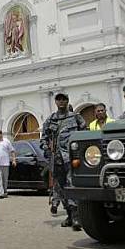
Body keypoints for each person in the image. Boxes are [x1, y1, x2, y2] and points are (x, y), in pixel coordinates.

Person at [41, 93, 84, 230]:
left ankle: (77, 217)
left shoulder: (75, 117)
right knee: (61, 188)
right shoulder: (50, 120)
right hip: (56, 159)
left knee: (72, 185)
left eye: (63, 99)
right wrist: (47, 149)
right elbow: (43, 139)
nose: (61, 102)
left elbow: (84, 134)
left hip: (71, 158)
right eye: (58, 99)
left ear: (67, 101)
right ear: (55, 102)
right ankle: (70, 215)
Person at [0, 130, 16, 199]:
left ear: (1, 134)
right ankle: (0, 193)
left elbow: (12, 151)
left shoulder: (6, 141)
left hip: (5, 163)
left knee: (5, 179)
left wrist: (14, 160)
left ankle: (5, 192)